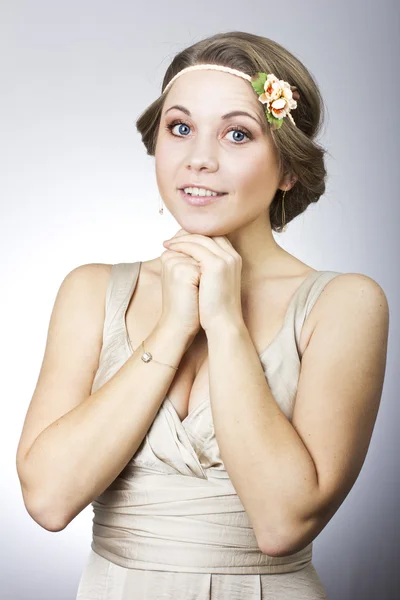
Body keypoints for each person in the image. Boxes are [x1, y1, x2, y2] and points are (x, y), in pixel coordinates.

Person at [16, 31, 389, 600]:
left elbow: (283, 523)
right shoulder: (90, 291)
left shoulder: (344, 305)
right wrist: (172, 328)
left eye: (238, 134)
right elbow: (48, 500)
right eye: (180, 127)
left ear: (288, 170)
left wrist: (225, 322)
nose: (199, 158)